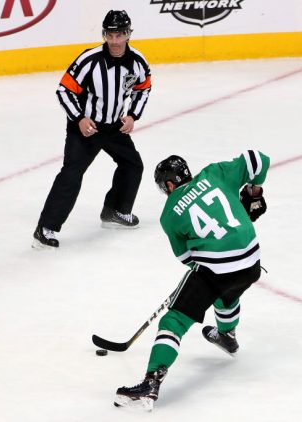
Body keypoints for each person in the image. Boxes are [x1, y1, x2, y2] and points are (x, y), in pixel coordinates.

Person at [114, 151, 269, 411]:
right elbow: (258, 159)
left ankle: (151, 382)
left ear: (170, 184)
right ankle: (227, 334)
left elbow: (187, 257)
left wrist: (199, 278)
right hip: (252, 261)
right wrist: (254, 194)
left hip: (218, 268)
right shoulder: (215, 173)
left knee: (173, 320)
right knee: (227, 292)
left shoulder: (169, 215)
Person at [33, 10, 152, 249]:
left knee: (133, 164)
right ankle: (46, 228)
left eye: (120, 34)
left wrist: (132, 115)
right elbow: (64, 90)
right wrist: (79, 118)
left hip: (114, 127)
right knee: (71, 173)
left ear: (128, 34)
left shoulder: (138, 61)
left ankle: (115, 211)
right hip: (86, 129)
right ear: (104, 35)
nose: (115, 41)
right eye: (111, 35)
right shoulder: (89, 59)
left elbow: (144, 88)